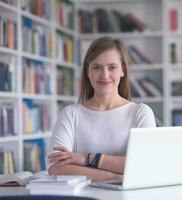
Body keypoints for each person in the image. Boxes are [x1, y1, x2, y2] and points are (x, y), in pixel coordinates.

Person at [47, 37, 156, 181]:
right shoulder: (70, 114)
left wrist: (85, 159)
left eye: (112, 67)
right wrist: (112, 176)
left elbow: (146, 164)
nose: (104, 75)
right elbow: (56, 167)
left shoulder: (140, 113)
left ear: (123, 70)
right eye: (96, 67)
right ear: (88, 71)